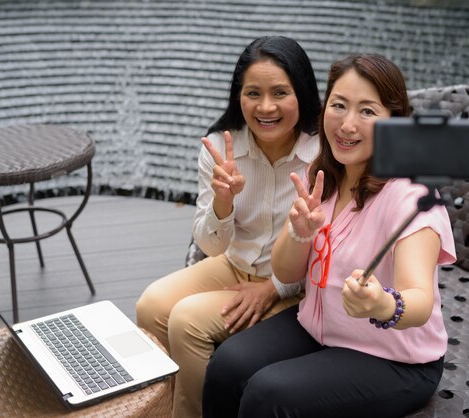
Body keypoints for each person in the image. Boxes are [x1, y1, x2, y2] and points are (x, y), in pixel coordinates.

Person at [202, 54, 456, 418]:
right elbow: (287, 273)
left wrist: (382, 304)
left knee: (269, 394)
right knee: (228, 364)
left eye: (367, 111)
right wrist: (299, 234)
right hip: (319, 328)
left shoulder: (411, 196)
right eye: (338, 105)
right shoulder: (321, 177)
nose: (347, 124)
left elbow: (419, 299)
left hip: (394, 357)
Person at [135, 35, 321, 418]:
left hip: (295, 283)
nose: (265, 107)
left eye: (280, 93)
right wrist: (223, 201)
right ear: (239, 95)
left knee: (187, 321)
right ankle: (169, 404)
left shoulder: (322, 154)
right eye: (253, 93)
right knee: (151, 305)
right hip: (234, 263)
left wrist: (272, 289)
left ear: (302, 93)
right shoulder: (224, 148)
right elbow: (212, 246)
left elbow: (330, 246)